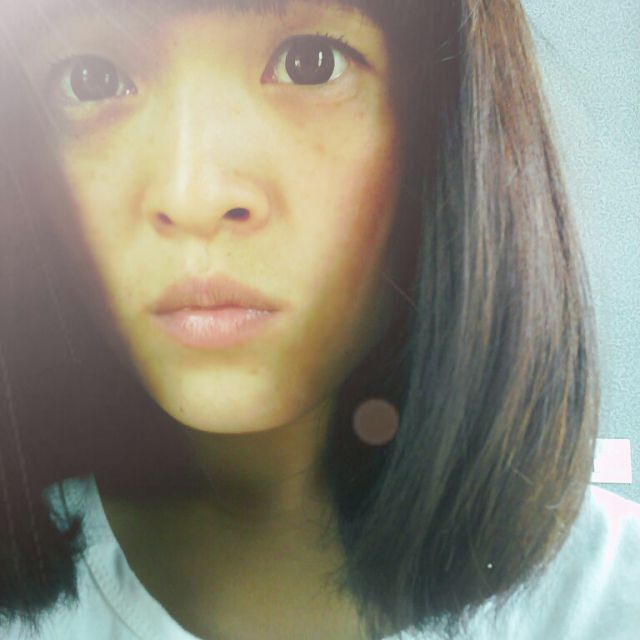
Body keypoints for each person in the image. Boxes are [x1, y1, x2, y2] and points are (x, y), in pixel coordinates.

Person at [1, 0, 639, 638]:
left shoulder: (613, 599)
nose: (194, 194)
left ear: (444, 120)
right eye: (93, 79)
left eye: (310, 63)